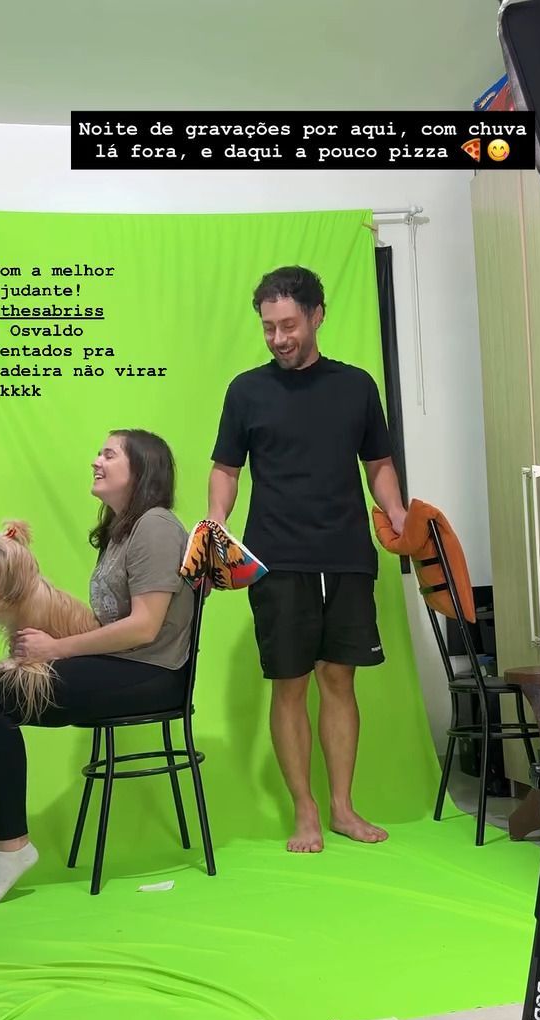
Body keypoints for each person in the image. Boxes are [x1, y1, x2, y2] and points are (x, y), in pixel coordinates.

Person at [208, 265, 407, 855]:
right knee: (290, 683)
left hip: (346, 553)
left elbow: (378, 463)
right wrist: (216, 522)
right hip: (276, 557)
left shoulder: (356, 386)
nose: (278, 338)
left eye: (289, 325)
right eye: (269, 327)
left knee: (339, 679)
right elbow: (226, 468)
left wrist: (396, 510)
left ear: (317, 315)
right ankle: (306, 810)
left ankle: (343, 806)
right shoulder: (246, 391)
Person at [0, 428, 193, 909]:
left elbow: (144, 627)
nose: (95, 461)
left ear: (140, 469)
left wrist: (57, 649)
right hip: (120, 666)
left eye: (109, 454)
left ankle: (13, 847)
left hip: (153, 675)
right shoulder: (120, 532)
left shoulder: (157, 526)